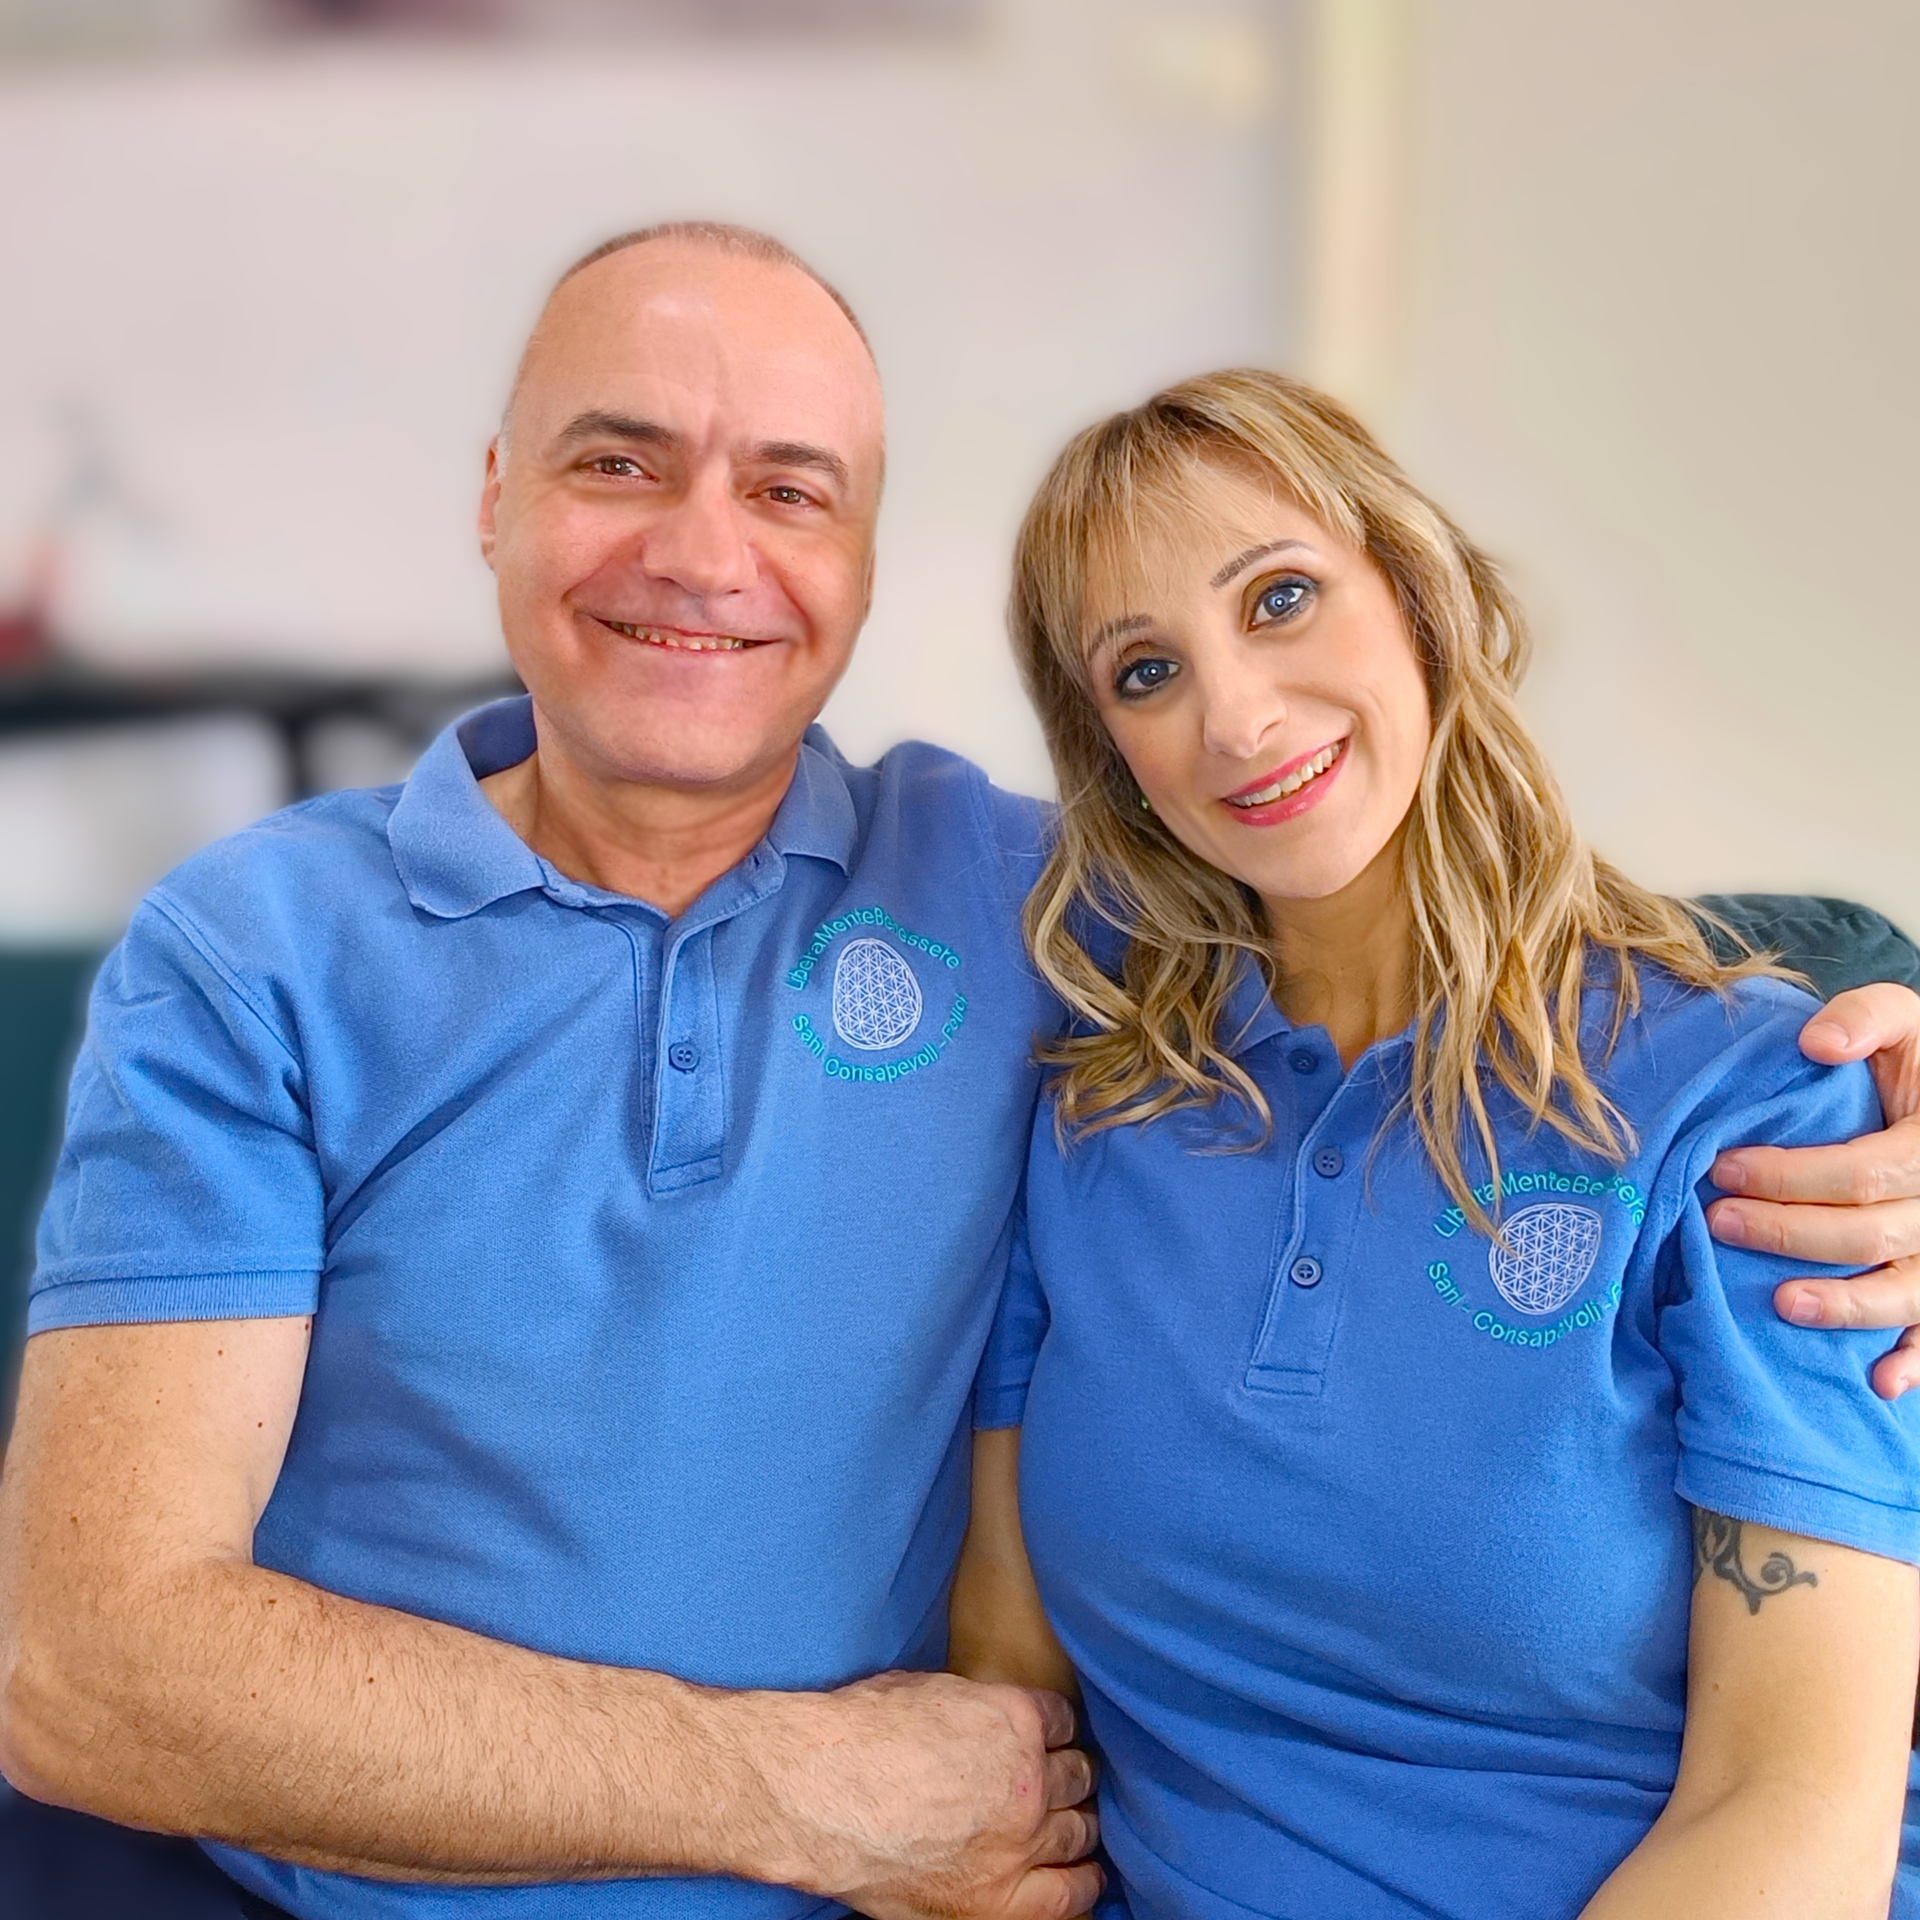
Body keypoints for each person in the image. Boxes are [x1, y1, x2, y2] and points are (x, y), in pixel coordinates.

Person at [0, 224, 1915, 1920]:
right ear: (497, 496)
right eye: (618, 464)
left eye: (789, 488)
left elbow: (1502, 939)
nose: (700, 553)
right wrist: (805, 1797)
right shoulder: (256, 951)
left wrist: (1881, 1040)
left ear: (855, 559)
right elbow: (87, 1663)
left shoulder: (1030, 910)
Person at [949, 368, 1920, 1919]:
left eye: (1279, 597)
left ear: (1420, 589)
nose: (1235, 715)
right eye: (1144, 672)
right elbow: (1012, 1701)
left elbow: (1793, 1810)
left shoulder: (1756, 1101)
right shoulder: (1089, 1120)